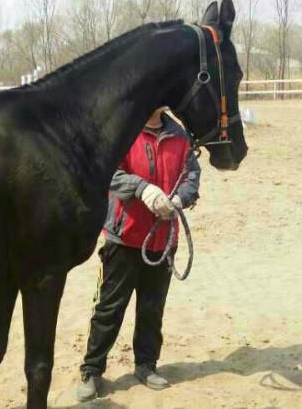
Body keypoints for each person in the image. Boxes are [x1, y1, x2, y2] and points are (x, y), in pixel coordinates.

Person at [76, 106, 201, 402]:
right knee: (108, 308)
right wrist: (143, 189)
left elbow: (192, 174)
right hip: (124, 238)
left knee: (152, 308)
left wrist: (180, 199)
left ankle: (146, 364)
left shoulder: (179, 135)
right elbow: (106, 173)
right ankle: (92, 369)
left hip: (164, 239)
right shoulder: (121, 131)